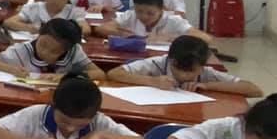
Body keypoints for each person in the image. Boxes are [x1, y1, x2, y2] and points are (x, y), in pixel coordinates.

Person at [0, 72, 151, 139]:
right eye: (63, 121)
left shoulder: (99, 122)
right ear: (53, 106)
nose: (70, 128)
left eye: (80, 124)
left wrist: (101, 135)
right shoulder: (36, 113)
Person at [108, 34, 263, 96]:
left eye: (191, 71)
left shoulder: (205, 72)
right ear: (171, 60)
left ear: (202, 66)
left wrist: (208, 86)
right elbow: (114, 73)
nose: (183, 75)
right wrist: (153, 81)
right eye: (178, 69)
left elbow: (255, 90)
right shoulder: (158, 63)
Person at [0, 18, 99, 81]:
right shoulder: (22, 50)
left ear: (66, 50)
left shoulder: (74, 51)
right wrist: (12, 69)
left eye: (54, 51)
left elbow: (99, 73)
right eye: (43, 45)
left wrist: (66, 76)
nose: (45, 52)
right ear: (39, 34)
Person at [91, 0, 195, 44]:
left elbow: (203, 37)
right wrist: (124, 34)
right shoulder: (131, 15)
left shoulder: (173, 20)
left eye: (150, 13)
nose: (144, 16)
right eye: (139, 11)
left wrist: (173, 38)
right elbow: (101, 29)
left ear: (161, 9)